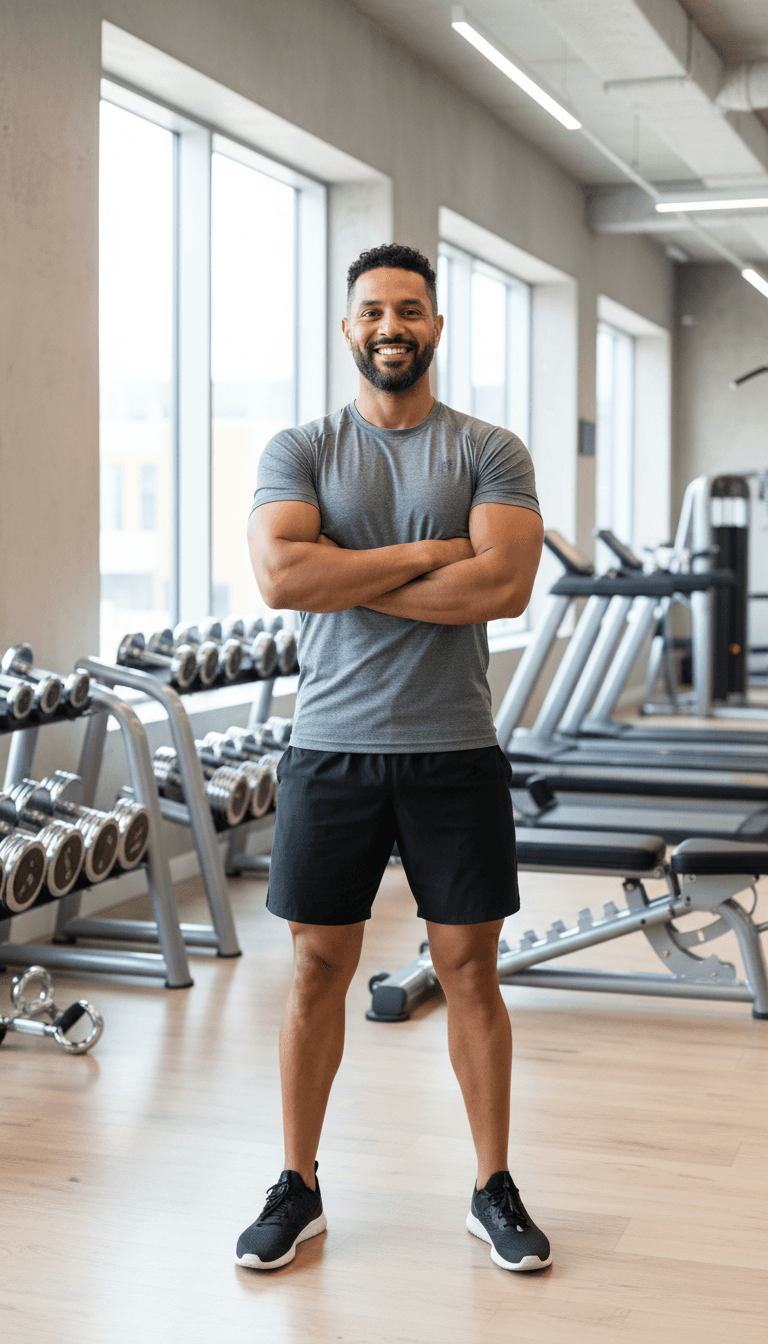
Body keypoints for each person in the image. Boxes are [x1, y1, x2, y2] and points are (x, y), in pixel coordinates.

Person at [237, 243, 548, 1274]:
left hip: (454, 749)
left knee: (469, 972)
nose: (389, 327)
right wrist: (431, 552)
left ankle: (492, 1185)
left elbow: (502, 590)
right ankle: (298, 1183)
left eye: (408, 310)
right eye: (372, 311)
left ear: (435, 327)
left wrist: (347, 574)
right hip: (331, 749)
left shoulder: (490, 451)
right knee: (317, 970)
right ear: (348, 329)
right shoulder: (301, 448)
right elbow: (284, 574)